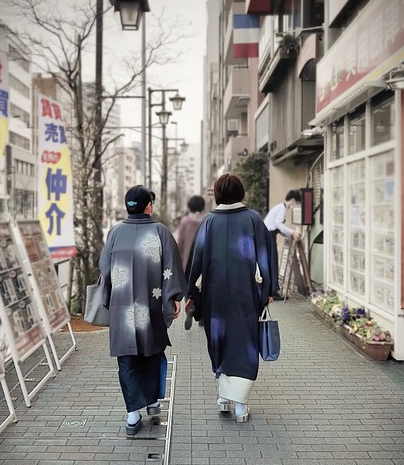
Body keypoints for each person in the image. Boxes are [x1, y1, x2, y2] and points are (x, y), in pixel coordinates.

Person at [185, 174, 274, 423]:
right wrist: (268, 290)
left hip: (214, 296)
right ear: (241, 191)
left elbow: (196, 260)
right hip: (245, 294)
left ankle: (224, 397)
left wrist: (191, 293)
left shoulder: (208, 222)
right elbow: (265, 257)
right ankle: (239, 405)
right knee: (245, 344)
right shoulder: (253, 219)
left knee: (219, 341)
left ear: (218, 194)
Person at [99, 185, 187, 436]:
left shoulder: (115, 233)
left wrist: (108, 296)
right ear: (148, 205)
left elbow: (105, 269)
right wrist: (173, 298)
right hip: (152, 305)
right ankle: (151, 402)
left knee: (127, 359)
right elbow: (171, 268)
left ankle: (132, 415)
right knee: (152, 352)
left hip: (122, 305)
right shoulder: (160, 232)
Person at [263, 189, 302, 300]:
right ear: (293, 200)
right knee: (273, 263)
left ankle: (272, 290)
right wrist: (292, 232)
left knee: (271, 262)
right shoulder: (282, 208)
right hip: (269, 236)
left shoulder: (279, 207)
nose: (294, 206)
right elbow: (278, 223)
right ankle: (273, 291)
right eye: (295, 203)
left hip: (268, 235)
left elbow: (277, 226)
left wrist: (287, 234)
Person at [176, 195, 206, 330]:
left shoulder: (185, 222)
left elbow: (180, 242)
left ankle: (190, 308)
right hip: (204, 260)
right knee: (203, 287)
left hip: (188, 261)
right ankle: (202, 316)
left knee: (189, 287)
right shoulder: (206, 220)